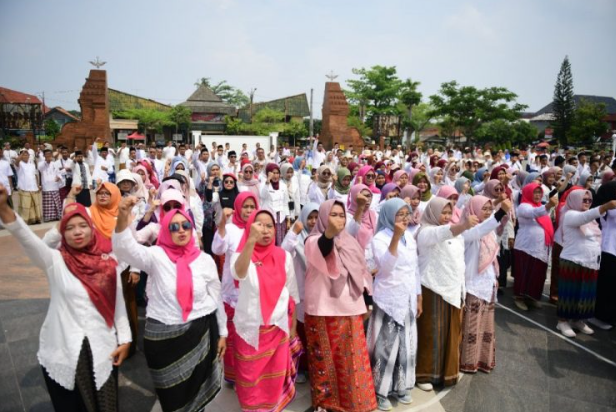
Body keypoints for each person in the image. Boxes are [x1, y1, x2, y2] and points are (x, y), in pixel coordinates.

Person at [0, 185, 131, 412]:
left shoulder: (108, 264)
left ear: (92, 230)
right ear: (62, 233)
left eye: (82, 226)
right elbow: (26, 237)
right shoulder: (55, 261)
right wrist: (3, 207)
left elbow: (119, 305)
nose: (77, 231)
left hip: (102, 346)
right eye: (69, 228)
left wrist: (126, 339)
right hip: (64, 348)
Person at [113, 196, 227, 412]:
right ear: (166, 230)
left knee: (196, 397)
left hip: (199, 335)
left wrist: (223, 333)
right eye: (174, 227)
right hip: (164, 341)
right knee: (172, 399)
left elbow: (216, 298)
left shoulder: (204, 260)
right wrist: (122, 216)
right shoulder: (156, 256)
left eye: (186, 225)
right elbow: (124, 249)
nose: (181, 231)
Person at [303, 199, 377, 412]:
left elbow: (362, 273)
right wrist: (329, 234)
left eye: (341, 215)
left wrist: (368, 302)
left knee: (351, 360)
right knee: (323, 361)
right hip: (322, 310)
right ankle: (325, 404)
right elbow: (323, 251)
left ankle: (353, 402)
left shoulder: (350, 242)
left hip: (351, 308)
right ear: (324, 218)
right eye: (333, 215)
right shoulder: (313, 240)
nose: (338, 219)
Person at [231, 209, 302, 412]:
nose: (265, 230)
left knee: (273, 379)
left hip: (277, 328)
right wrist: (250, 242)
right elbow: (238, 273)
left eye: (269, 226)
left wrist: (294, 324)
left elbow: (291, 293)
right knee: (250, 379)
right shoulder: (241, 255)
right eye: (259, 225)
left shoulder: (283, 256)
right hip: (250, 330)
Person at [415, 198, 478, 389]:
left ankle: (446, 373)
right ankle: (424, 376)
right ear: (433, 212)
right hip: (432, 288)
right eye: (443, 212)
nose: (446, 217)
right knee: (431, 334)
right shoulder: (425, 232)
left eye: (449, 213)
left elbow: (460, 257)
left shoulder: (457, 235)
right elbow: (441, 233)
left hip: (452, 289)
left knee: (451, 333)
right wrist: (463, 225)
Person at [367, 198, 421, 410]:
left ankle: (402, 386)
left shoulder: (410, 236)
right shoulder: (380, 238)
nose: (404, 219)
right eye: (400, 215)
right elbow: (385, 269)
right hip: (387, 299)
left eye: (406, 215)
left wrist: (418, 296)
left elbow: (414, 269)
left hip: (406, 297)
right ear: (389, 216)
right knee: (384, 347)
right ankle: (380, 390)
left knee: (406, 345)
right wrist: (395, 239)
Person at [211, 192, 259, 384]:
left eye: (252, 206)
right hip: (232, 292)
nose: (248, 211)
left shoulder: (259, 227)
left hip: (252, 291)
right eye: (245, 206)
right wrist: (222, 225)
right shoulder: (231, 229)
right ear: (238, 207)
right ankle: (232, 376)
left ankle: (249, 373)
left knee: (248, 336)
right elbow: (217, 249)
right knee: (232, 336)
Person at [460, 196, 511, 374]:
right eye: (485, 209)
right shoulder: (466, 230)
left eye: (490, 209)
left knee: (485, 326)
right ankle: (467, 361)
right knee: (472, 326)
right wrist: (500, 212)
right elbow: (480, 230)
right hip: (473, 283)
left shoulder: (488, 231)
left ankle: (482, 360)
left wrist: (494, 277)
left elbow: (491, 255)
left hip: (487, 283)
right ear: (474, 209)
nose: (488, 213)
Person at [555, 189, 616, 337]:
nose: (588, 202)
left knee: (585, 295)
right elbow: (583, 218)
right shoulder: (570, 215)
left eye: (589, 200)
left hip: (590, 263)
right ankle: (562, 321)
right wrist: (605, 207)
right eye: (584, 200)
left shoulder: (592, 220)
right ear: (575, 200)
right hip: (573, 261)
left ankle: (578, 320)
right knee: (570, 293)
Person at [281, 202, 320, 383]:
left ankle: (313, 365)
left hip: (318, 292)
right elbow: (283, 251)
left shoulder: (323, 236)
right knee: (301, 329)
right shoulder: (296, 239)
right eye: (310, 218)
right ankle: (301, 367)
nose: (313, 222)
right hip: (301, 289)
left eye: (316, 217)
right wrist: (294, 232)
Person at [512, 183, 558, 310]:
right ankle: (519, 297)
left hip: (540, 248)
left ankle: (531, 297)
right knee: (524, 273)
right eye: (535, 192)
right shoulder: (523, 206)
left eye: (539, 193)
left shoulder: (541, 207)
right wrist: (548, 205)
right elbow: (533, 213)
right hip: (526, 247)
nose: (537, 195)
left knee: (537, 274)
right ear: (528, 193)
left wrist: (547, 206)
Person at [589, 181, 616, 330]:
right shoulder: (607, 208)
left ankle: (609, 315)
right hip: (609, 249)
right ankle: (600, 315)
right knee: (607, 285)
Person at [260, 163, 291, 245]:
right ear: (268, 173)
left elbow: (285, 203)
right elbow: (262, 196)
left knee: (281, 242)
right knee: (269, 240)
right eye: (273, 173)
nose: (275, 175)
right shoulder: (264, 185)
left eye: (277, 173)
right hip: (269, 218)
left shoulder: (283, 186)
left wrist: (288, 219)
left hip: (281, 219)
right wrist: (267, 181)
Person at [15, 149, 42, 224]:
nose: (25, 156)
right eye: (24, 155)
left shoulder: (32, 165)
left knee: (34, 204)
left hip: (33, 187)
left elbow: (35, 175)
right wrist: (22, 153)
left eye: (27, 155)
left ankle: (35, 219)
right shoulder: (19, 164)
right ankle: (25, 221)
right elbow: (17, 161)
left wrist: (38, 184)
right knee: (25, 205)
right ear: (21, 156)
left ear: (29, 156)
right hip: (24, 187)